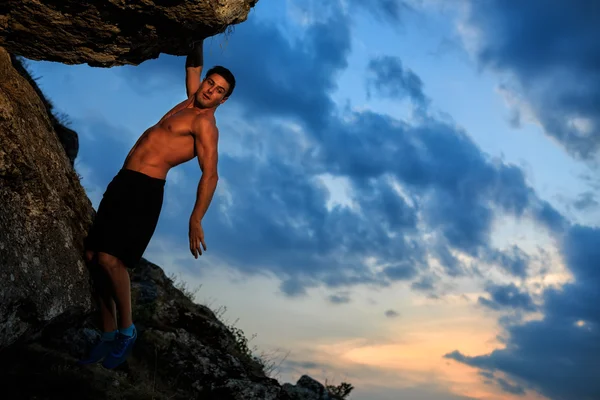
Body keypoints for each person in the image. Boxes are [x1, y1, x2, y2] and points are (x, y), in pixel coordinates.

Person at [78, 37, 235, 369]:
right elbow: (192, 62)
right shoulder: (191, 100)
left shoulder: (205, 125)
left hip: (145, 191)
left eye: (219, 90)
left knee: (110, 258)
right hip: (124, 181)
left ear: (224, 99)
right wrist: (200, 31)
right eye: (211, 82)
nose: (210, 90)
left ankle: (126, 331)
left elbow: (211, 175)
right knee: (94, 257)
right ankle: (106, 334)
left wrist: (196, 218)